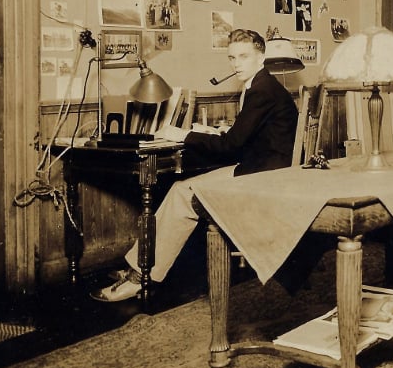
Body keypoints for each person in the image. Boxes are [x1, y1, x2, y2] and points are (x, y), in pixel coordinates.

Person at [91, 28, 298, 302]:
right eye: (232, 57)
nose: (236, 64)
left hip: (261, 176)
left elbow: (231, 146)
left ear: (261, 57)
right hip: (261, 168)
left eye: (244, 56)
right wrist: (217, 133)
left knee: (180, 192)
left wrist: (184, 135)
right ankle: (138, 265)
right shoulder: (261, 85)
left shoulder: (262, 91)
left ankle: (141, 275)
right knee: (181, 188)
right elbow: (247, 136)